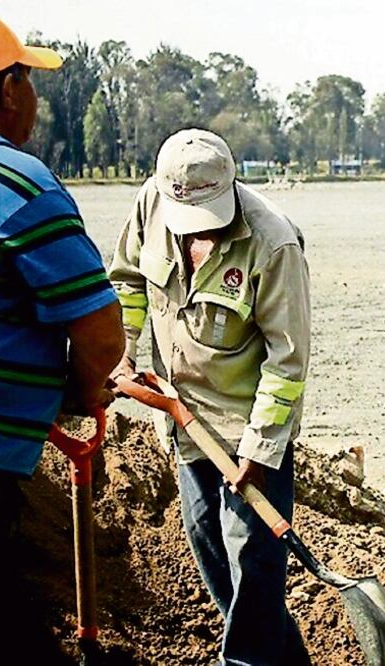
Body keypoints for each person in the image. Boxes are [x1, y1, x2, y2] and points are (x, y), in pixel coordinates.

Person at [0, 9, 124, 657]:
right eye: (28, 82)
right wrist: (84, 391)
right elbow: (101, 332)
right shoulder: (19, 184)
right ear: (6, 90)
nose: (33, 99)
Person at [109, 128, 311, 665]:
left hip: (245, 431)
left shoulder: (273, 243)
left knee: (254, 566)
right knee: (213, 556)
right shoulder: (152, 203)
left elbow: (288, 359)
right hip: (180, 418)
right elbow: (128, 280)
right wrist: (122, 348)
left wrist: (260, 448)